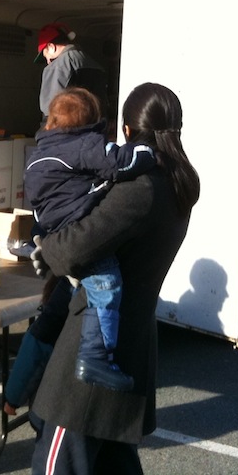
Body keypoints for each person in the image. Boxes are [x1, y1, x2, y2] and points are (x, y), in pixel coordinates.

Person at [28, 82, 200, 473]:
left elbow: (73, 249)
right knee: (113, 463)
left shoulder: (140, 187)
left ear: (126, 130)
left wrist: (43, 243)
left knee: (57, 465)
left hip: (94, 353)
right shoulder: (178, 183)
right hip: (132, 343)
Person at [21, 88, 155, 394]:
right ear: (92, 125)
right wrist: (147, 153)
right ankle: (95, 357)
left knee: (56, 310)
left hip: (51, 225)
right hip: (75, 226)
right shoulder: (85, 146)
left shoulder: (41, 151)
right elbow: (120, 162)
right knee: (107, 285)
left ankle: (17, 393)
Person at [34, 22, 108, 126]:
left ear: (51, 47)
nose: (48, 61)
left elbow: (50, 110)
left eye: (45, 55)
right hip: (92, 131)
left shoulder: (58, 66)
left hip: (67, 133)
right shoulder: (95, 65)